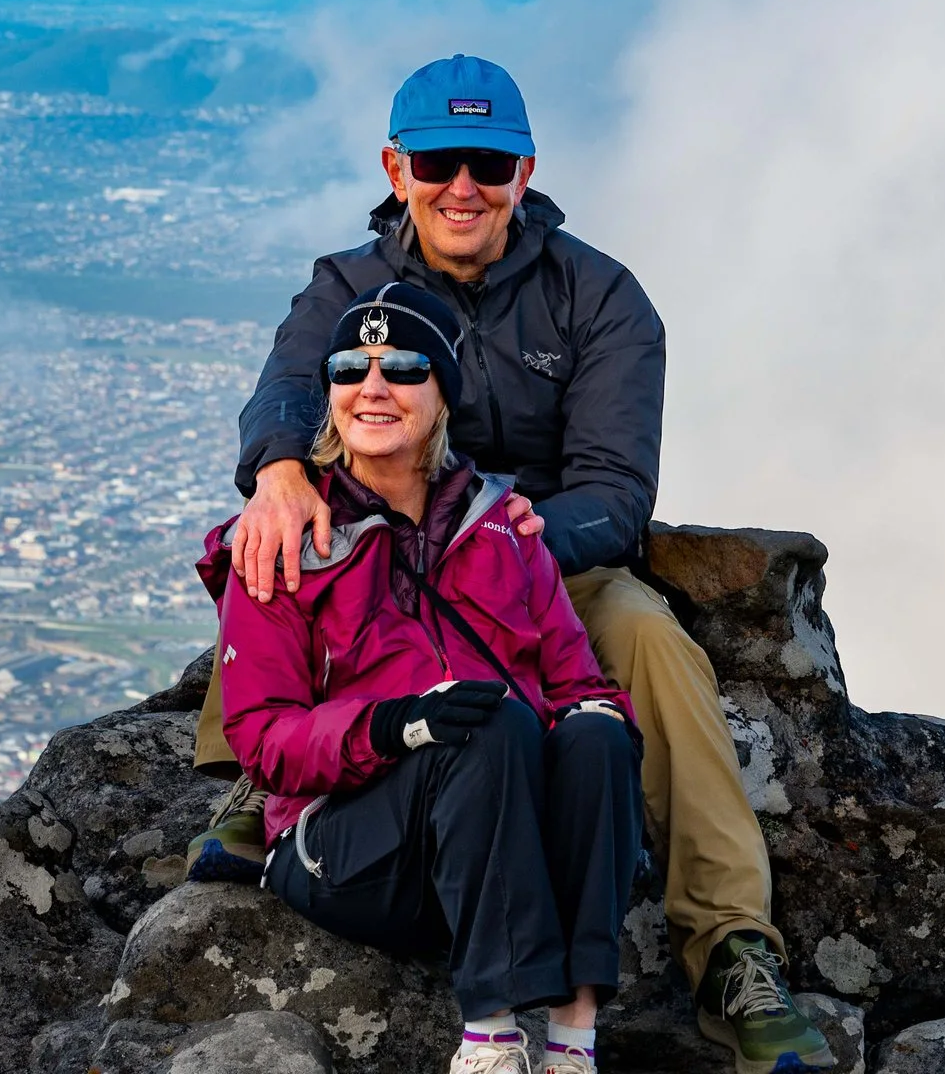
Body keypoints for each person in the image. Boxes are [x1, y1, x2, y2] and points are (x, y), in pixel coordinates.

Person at [187, 55, 834, 1074]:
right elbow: (278, 398)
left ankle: (730, 944)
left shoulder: (598, 296)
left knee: (654, 649)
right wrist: (274, 469)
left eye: (486, 162)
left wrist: (507, 537)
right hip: (378, 544)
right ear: (396, 166)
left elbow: (616, 489)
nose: (462, 185)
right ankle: (265, 786)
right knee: (278, 536)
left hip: (539, 556)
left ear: (523, 171)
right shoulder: (346, 287)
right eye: (439, 159)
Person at [197, 282, 644, 1074]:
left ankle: (575, 1042)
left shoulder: (505, 530)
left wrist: (600, 719)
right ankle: (491, 1041)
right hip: (345, 848)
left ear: (442, 395)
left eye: (403, 366)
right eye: (348, 367)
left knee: (595, 739)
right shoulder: (285, 543)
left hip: (491, 848)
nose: (372, 387)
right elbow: (263, 738)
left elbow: (579, 682)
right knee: (484, 724)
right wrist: (396, 724)